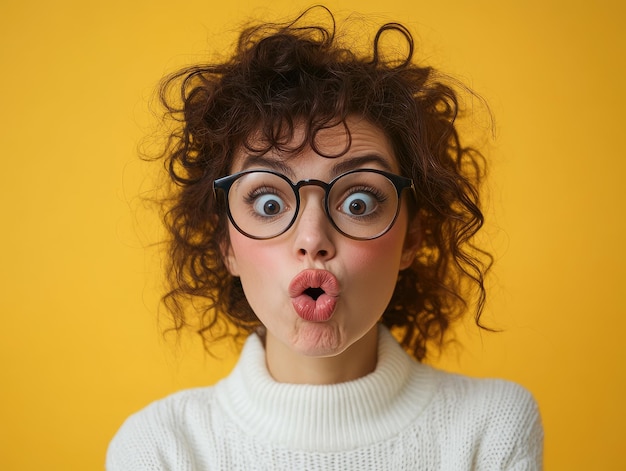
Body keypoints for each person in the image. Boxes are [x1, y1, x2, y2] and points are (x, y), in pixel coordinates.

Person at [107, 6, 543, 470]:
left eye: (359, 202)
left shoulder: (491, 429)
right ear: (226, 244)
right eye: (268, 203)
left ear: (412, 238)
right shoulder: (159, 448)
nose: (312, 239)